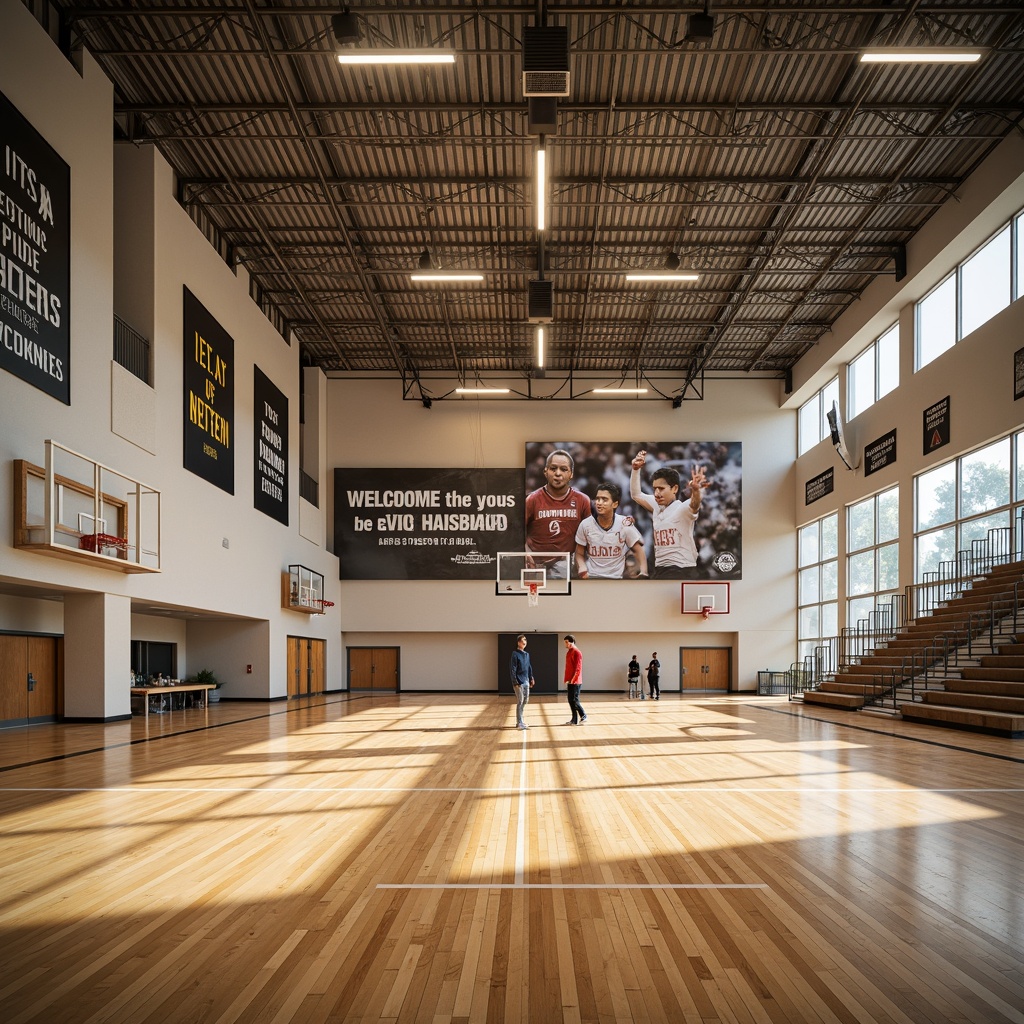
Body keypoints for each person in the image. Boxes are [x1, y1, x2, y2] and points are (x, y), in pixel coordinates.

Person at [630, 450, 710, 579]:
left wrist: (696, 490)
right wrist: (635, 469)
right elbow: (636, 495)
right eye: (655, 488)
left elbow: (695, 504)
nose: (656, 493)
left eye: (661, 489)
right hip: (661, 568)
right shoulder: (657, 506)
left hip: (681, 569)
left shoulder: (682, 508)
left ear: (675, 489)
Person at [525, 449, 591, 578]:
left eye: (564, 469)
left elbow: (591, 536)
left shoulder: (583, 501)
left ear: (571, 474)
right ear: (545, 471)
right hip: (537, 568)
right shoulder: (532, 500)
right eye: (553, 468)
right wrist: (527, 555)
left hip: (570, 569)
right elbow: (516, 534)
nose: (558, 474)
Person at [573, 482, 649, 580]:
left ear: (615, 504)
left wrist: (644, 571)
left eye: (604, 500)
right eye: (598, 499)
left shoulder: (625, 523)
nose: (599, 503)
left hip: (617, 579)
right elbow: (579, 553)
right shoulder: (585, 524)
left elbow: (638, 550)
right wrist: (582, 568)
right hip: (592, 578)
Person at [509, 634, 535, 730]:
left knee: (525, 701)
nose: (524, 642)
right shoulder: (515, 654)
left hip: (526, 681)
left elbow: (529, 666)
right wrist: (515, 681)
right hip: (518, 682)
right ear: (518, 642)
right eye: (522, 641)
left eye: (525, 641)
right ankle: (519, 722)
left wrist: (531, 677)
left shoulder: (527, 654)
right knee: (520, 701)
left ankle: (521, 720)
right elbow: (513, 669)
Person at [562, 634, 586, 725]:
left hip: (576, 681)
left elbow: (578, 668)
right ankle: (574, 719)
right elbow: (568, 668)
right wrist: (567, 679)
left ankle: (583, 715)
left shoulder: (577, 652)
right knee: (570, 700)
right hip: (570, 681)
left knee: (575, 699)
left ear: (570, 642)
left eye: (566, 642)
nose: (565, 644)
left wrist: (573, 679)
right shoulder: (568, 652)